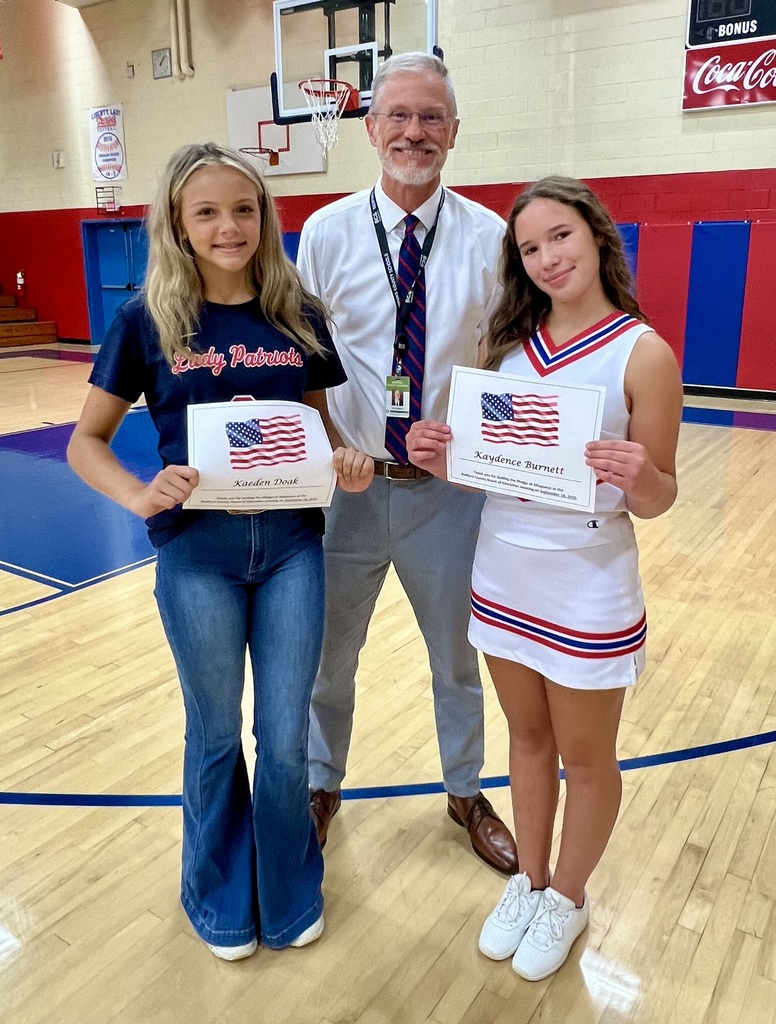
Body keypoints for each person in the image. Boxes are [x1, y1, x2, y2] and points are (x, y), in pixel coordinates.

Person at [67, 142, 373, 961]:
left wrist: (343, 460)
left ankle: (288, 887)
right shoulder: (147, 320)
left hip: (290, 551)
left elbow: (320, 426)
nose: (228, 225)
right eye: (206, 211)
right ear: (177, 222)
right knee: (212, 735)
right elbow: (86, 442)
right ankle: (218, 896)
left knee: (281, 737)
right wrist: (138, 494)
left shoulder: (296, 312)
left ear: (265, 216)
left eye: (243, 208)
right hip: (194, 553)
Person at [407, 175, 683, 980]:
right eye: (529, 248)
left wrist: (640, 476)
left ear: (597, 236)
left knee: (587, 758)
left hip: (589, 578)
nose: (547, 257)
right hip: (501, 569)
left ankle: (569, 894)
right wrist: (444, 458)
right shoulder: (506, 354)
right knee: (526, 741)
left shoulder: (644, 352)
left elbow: (660, 497)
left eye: (559, 236)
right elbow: (490, 472)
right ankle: (528, 882)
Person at [296, 53, 519, 874]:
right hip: (347, 493)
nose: (414, 132)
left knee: (457, 657)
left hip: (447, 496)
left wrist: (462, 435)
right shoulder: (323, 233)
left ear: (454, 133)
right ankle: (322, 784)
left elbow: (507, 367)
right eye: (399, 116)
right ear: (370, 128)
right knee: (329, 655)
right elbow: (305, 364)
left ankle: (465, 789)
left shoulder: (494, 238)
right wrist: (331, 449)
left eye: (431, 118)